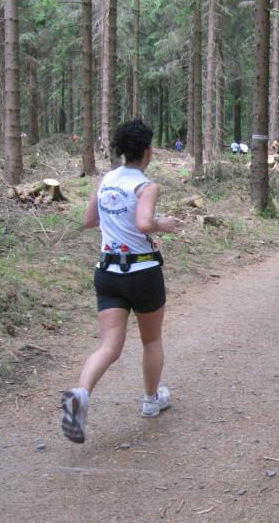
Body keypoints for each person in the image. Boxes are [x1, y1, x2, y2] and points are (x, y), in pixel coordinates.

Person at [61, 119, 178, 444]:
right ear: (147, 151)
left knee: (109, 346)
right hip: (142, 272)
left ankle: (81, 394)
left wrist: (117, 224)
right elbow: (143, 223)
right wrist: (164, 224)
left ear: (121, 151)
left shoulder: (107, 180)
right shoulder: (146, 186)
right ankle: (151, 401)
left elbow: (89, 220)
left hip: (107, 272)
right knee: (151, 340)